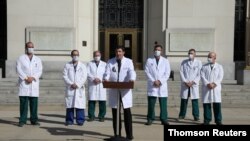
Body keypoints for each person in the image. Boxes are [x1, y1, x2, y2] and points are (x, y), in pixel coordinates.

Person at [104, 46, 136, 140]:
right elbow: (107, 73)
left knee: (127, 113)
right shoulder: (110, 61)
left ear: (123, 52)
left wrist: (131, 79)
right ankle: (117, 134)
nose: (118, 53)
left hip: (125, 89)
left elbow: (131, 72)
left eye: (120, 51)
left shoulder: (129, 61)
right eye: (117, 51)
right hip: (114, 89)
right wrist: (106, 79)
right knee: (115, 113)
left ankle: (129, 135)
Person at [16, 42, 43, 127]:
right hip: (24, 83)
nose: (30, 48)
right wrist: (26, 78)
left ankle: (34, 120)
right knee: (23, 104)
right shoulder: (21, 58)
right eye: (29, 47)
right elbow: (18, 70)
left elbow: (40, 70)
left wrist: (33, 77)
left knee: (34, 104)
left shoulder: (38, 59)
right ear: (26, 48)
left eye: (32, 47)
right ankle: (22, 120)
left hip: (33, 83)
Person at [144, 42, 171, 125]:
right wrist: (153, 81)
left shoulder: (165, 61)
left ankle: (164, 119)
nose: (157, 51)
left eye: (159, 50)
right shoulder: (149, 60)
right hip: (152, 85)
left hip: (162, 85)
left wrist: (160, 81)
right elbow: (147, 72)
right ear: (153, 50)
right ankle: (150, 118)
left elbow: (167, 73)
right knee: (151, 103)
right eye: (156, 50)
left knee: (163, 104)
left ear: (161, 51)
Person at [63, 50, 87, 126]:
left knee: (80, 105)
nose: (75, 56)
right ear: (71, 56)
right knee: (70, 105)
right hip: (71, 88)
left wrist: (78, 84)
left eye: (76, 55)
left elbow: (84, 77)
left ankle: (80, 120)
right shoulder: (67, 65)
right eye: (74, 55)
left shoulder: (82, 66)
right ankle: (69, 120)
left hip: (79, 88)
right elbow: (64, 76)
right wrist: (71, 84)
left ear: (78, 55)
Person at [200, 52, 224, 125]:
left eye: (210, 57)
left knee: (217, 104)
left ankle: (218, 120)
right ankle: (207, 120)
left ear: (215, 58)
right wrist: (207, 83)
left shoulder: (219, 67)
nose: (209, 58)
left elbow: (220, 77)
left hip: (215, 88)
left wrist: (214, 84)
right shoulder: (204, 67)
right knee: (207, 104)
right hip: (207, 87)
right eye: (208, 57)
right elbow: (202, 76)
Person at [178, 49, 202, 121]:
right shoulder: (184, 62)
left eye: (191, 53)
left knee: (194, 101)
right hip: (185, 84)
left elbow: (200, 73)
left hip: (193, 85)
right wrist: (185, 81)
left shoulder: (198, 62)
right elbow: (181, 72)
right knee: (184, 100)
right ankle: (182, 115)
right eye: (189, 53)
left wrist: (193, 82)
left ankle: (196, 116)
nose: (190, 54)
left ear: (195, 54)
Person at [87, 51, 107, 122]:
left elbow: (106, 74)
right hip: (93, 84)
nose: (97, 56)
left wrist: (100, 79)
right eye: (95, 55)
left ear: (100, 55)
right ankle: (91, 116)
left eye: (98, 55)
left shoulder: (104, 64)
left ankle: (101, 116)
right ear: (93, 56)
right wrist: (93, 79)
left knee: (102, 102)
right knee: (92, 101)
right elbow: (87, 73)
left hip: (101, 84)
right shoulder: (89, 64)